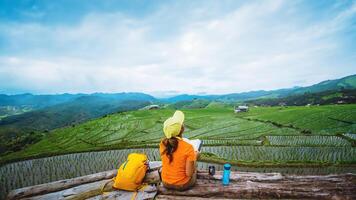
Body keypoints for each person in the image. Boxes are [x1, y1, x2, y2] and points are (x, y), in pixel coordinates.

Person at [159, 110, 199, 191]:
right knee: (194, 170)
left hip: (165, 182)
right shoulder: (188, 147)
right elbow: (189, 173)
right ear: (182, 129)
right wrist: (195, 157)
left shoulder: (162, 144)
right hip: (182, 185)